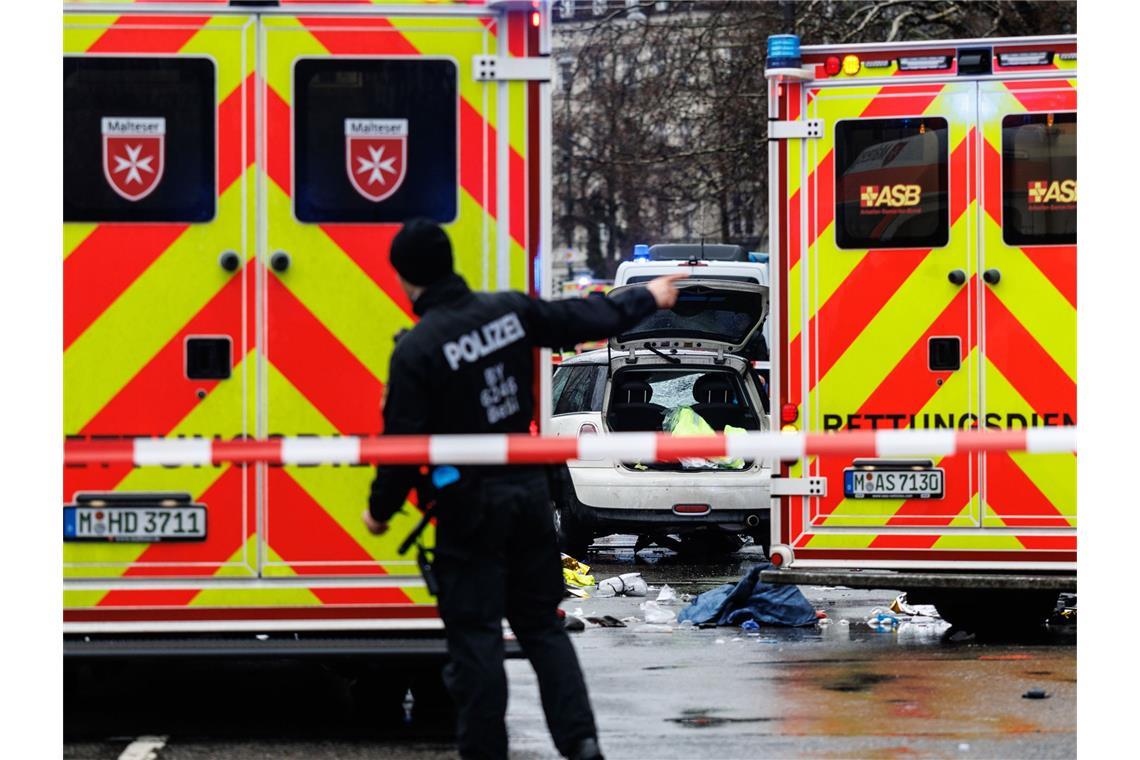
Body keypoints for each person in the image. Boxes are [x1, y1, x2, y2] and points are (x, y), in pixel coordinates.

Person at [362, 218, 684, 760]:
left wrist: (379, 511)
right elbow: (582, 317)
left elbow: (402, 446)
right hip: (529, 497)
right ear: (449, 263)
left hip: (469, 511)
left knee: (477, 637)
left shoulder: (418, 349)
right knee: (542, 629)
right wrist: (646, 297)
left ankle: (485, 751)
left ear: (404, 280)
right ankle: (580, 742)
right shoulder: (508, 311)